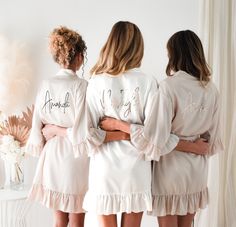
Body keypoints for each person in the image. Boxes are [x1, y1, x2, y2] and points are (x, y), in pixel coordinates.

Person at [100, 30, 224, 227]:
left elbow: (154, 138)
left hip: (170, 171)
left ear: (174, 54)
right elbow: (211, 141)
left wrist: (117, 124)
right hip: (197, 172)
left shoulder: (168, 87)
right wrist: (194, 146)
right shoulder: (211, 89)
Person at [26, 26, 89, 227]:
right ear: (79, 56)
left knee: (59, 220)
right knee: (77, 218)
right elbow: (82, 130)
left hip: (52, 155)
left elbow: (38, 126)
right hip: (75, 157)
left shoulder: (46, 84)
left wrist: (52, 131)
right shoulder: (82, 86)